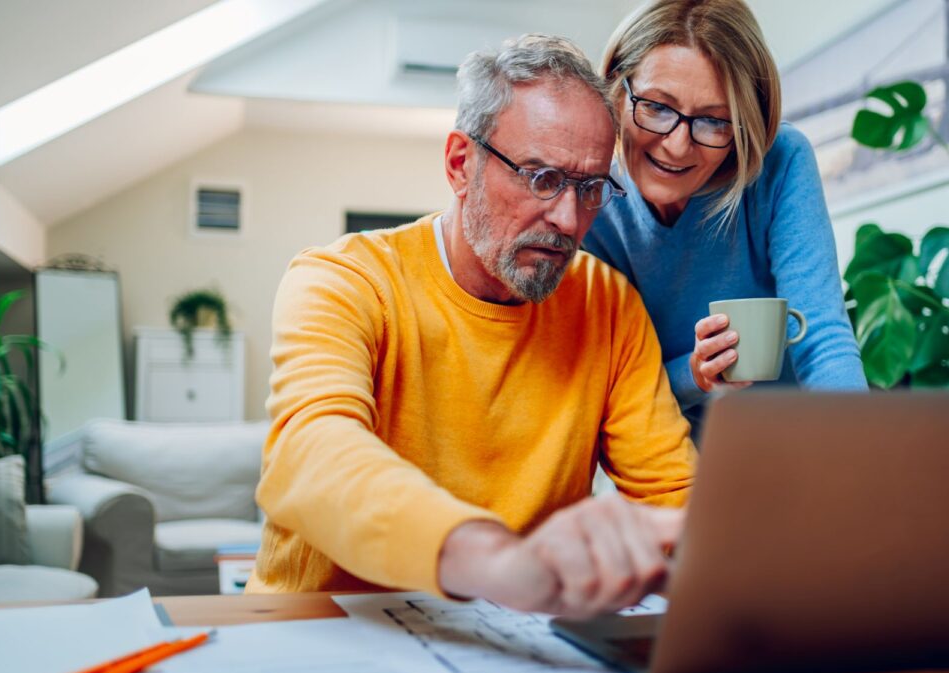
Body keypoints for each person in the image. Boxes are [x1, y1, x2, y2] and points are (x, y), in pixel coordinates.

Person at [247, 34, 696, 619]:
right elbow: (311, 455)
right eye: (541, 178)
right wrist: (501, 563)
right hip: (321, 629)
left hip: (514, 638)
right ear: (461, 163)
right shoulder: (344, 279)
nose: (567, 218)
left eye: (589, 189)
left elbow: (675, 500)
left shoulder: (608, 305)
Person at [583, 0, 867, 436]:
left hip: (800, 442)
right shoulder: (589, 200)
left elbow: (823, 339)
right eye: (657, 107)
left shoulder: (781, 162)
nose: (677, 146)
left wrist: (866, 450)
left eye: (714, 121)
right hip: (675, 463)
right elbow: (610, 393)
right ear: (617, 91)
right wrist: (693, 374)